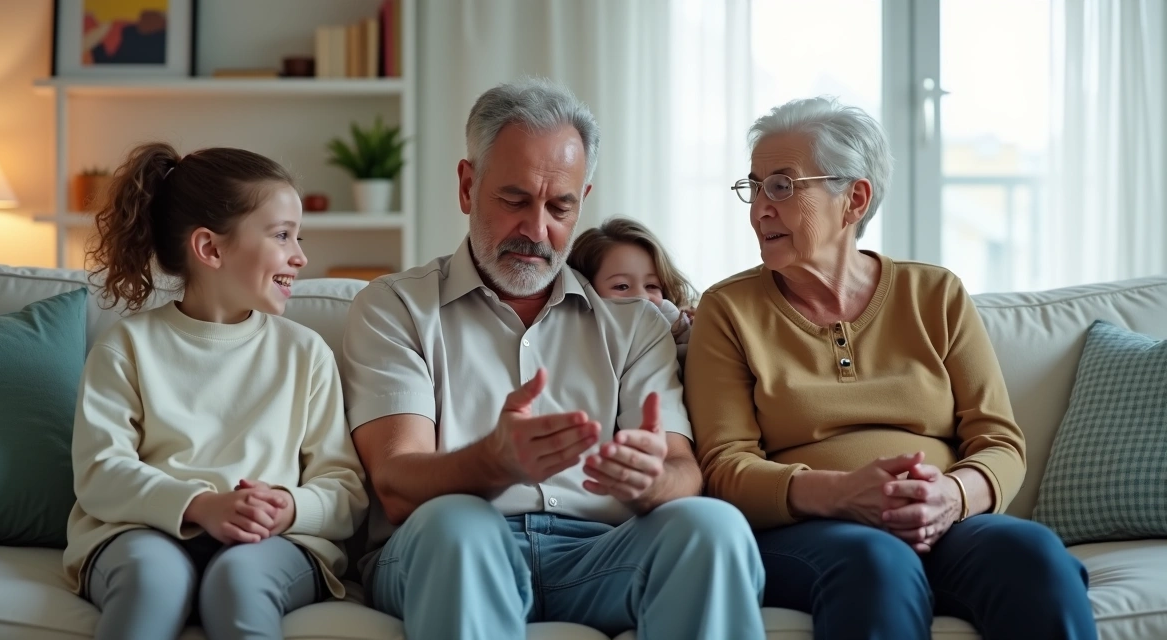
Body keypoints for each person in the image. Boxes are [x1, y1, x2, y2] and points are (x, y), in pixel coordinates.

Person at [341, 78, 764, 640]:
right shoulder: (396, 307)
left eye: (559, 206)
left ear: (583, 201)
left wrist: (648, 482)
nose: (536, 230)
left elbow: (682, 472)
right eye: (514, 200)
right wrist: (493, 461)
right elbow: (395, 484)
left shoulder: (633, 325)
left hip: (597, 555)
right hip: (446, 546)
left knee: (712, 527)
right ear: (468, 186)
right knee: (458, 526)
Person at [686, 96, 1096, 640]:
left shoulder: (935, 294)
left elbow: (1000, 442)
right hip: (811, 533)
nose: (759, 207)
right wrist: (841, 492)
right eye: (754, 186)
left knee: (1033, 554)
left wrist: (952, 497)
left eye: (781, 186)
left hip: (942, 523)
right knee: (877, 563)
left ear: (853, 199)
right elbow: (724, 468)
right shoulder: (729, 310)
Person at [65, 142, 368, 640]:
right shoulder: (127, 345)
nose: (300, 255)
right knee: (150, 581)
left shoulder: (305, 353)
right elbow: (100, 472)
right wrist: (201, 505)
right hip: (143, 534)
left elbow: (345, 488)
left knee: (238, 581)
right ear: (210, 248)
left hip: (270, 542)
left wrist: (289, 507)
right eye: (282, 235)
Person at [568, 217, 697, 367]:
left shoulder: (686, 336)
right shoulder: (576, 346)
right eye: (622, 286)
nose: (642, 297)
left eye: (652, 286)